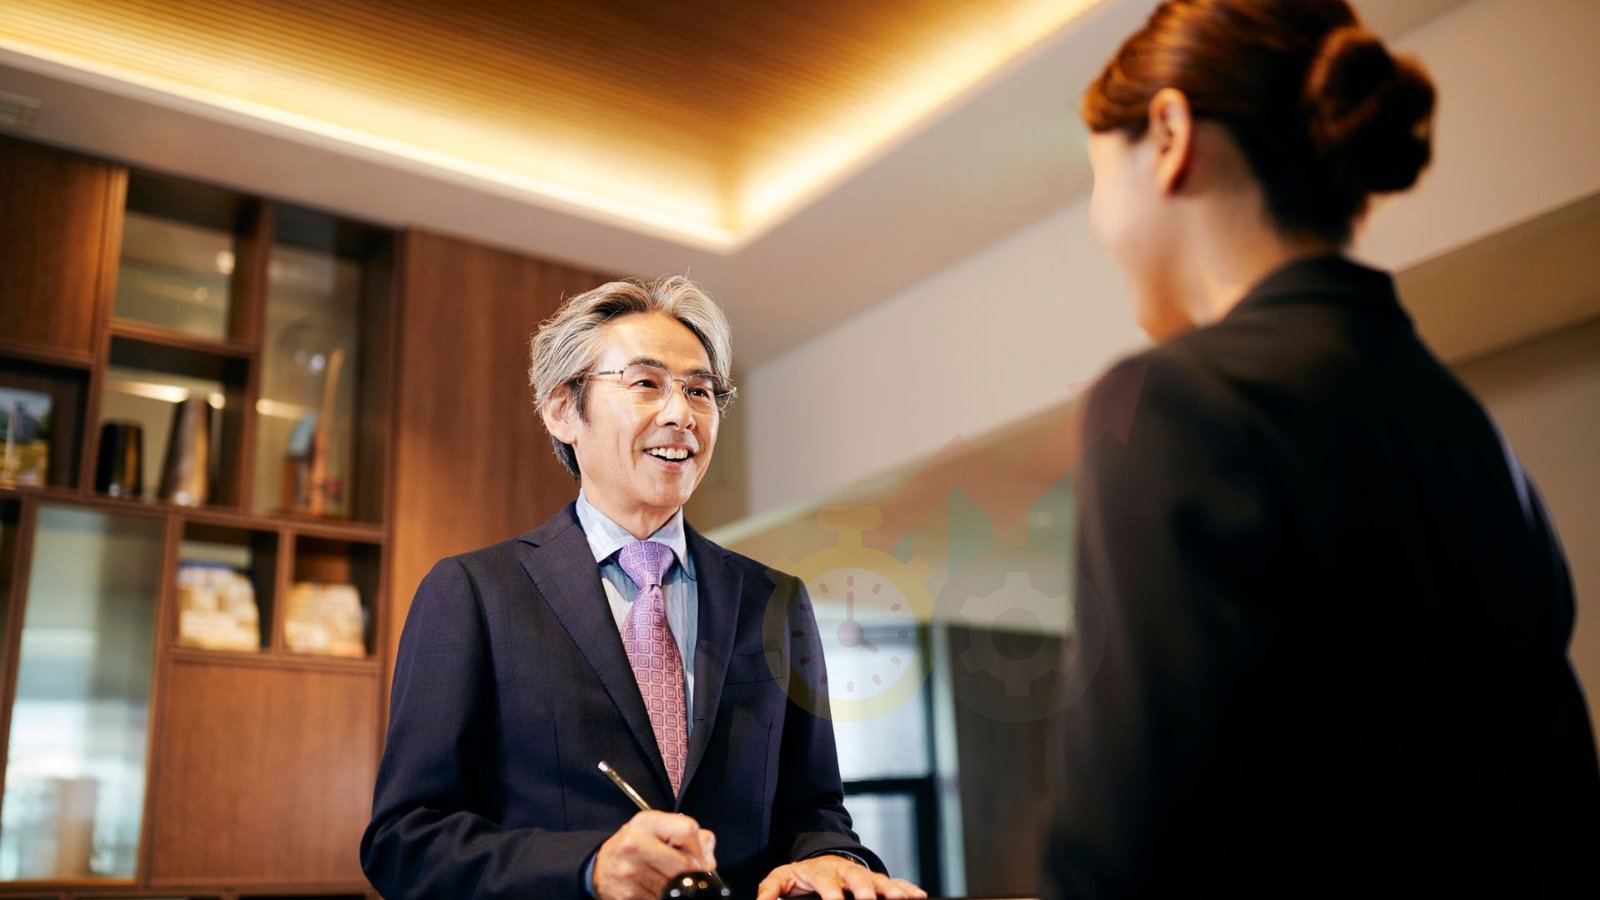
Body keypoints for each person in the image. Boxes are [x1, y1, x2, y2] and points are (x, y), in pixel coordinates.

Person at [1045, 1, 1600, 897]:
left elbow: (1130, 846)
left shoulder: (1172, 399)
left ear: (1170, 134)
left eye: (1099, 179)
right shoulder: (1467, 431)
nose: (1100, 221)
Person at [361, 276, 925, 900]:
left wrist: (829, 859)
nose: (681, 413)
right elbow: (405, 840)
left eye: (700, 391)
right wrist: (589, 869)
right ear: (562, 410)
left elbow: (813, 811)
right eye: (646, 383)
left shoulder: (775, 601)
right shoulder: (473, 593)